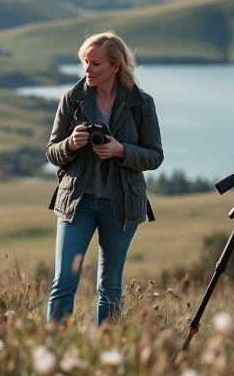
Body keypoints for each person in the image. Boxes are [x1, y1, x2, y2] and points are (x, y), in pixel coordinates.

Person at [45, 31, 163, 326]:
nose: (87, 69)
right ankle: (55, 352)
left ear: (115, 66)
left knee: (109, 286)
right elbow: (52, 152)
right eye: (84, 62)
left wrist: (121, 150)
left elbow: (155, 155)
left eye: (95, 64)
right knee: (63, 282)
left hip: (121, 205)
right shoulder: (72, 99)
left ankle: (105, 352)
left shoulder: (141, 104)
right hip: (76, 202)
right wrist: (71, 144)